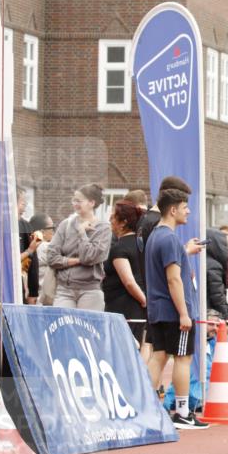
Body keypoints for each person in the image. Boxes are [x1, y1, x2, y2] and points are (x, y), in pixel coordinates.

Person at [144, 180, 208, 429]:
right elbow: (173, 278)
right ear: (173, 210)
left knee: (158, 356)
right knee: (183, 358)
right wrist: (184, 313)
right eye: (184, 207)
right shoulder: (169, 239)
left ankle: (147, 407)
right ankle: (182, 412)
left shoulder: (155, 238)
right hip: (173, 310)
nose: (188, 212)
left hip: (158, 309)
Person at [47, 183, 111, 310]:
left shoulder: (103, 228)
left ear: (91, 203)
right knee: (63, 328)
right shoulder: (65, 225)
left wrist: (82, 233)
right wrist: (76, 261)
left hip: (90, 292)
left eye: (79, 200)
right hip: (64, 290)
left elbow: (89, 257)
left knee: (87, 329)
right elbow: (51, 257)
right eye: (73, 200)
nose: (75, 204)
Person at [102, 200, 147, 345]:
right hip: (136, 312)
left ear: (123, 222)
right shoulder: (142, 244)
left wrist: (144, 301)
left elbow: (128, 281)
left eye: (113, 216)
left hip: (125, 311)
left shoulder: (119, 248)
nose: (110, 219)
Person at [29, 213, 56, 304]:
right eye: (52, 228)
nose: (53, 231)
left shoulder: (31, 247)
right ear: (42, 232)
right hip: (43, 300)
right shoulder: (45, 247)